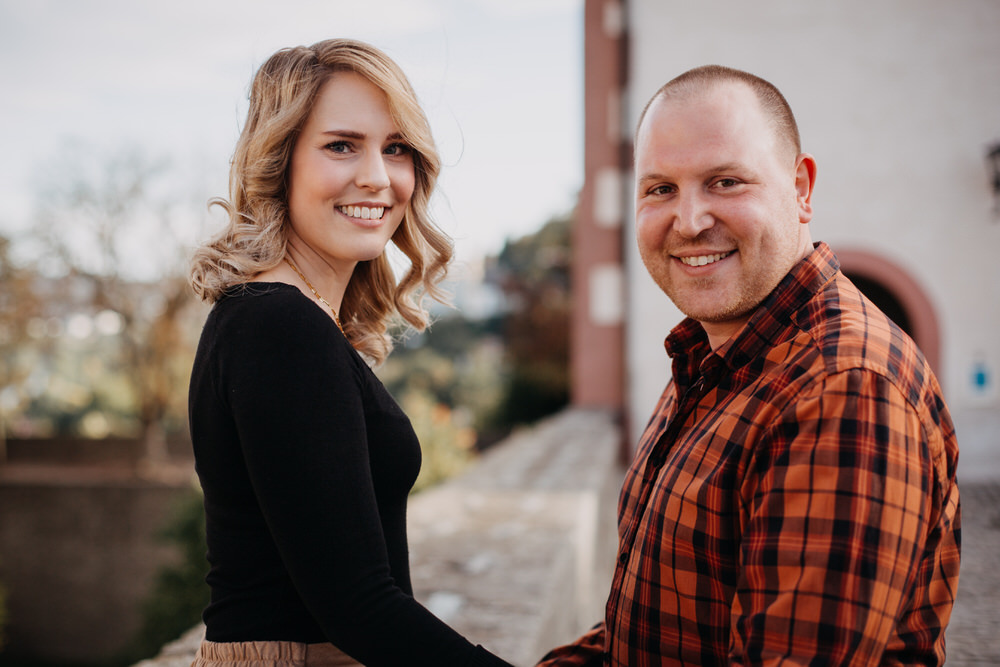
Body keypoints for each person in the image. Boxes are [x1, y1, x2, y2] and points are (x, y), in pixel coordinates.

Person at [539, 65, 961, 665]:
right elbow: (647, 630)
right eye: (660, 189)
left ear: (802, 189)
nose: (689, 221)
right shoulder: (711, 355)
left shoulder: (843, 388)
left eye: (726, 182)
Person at [187, 39, 512, 667]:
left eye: (396, 149)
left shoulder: (287, 318)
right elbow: (358, 604)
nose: (377, 175)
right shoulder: (279, 323)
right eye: (342, 145)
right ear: (279, 163)